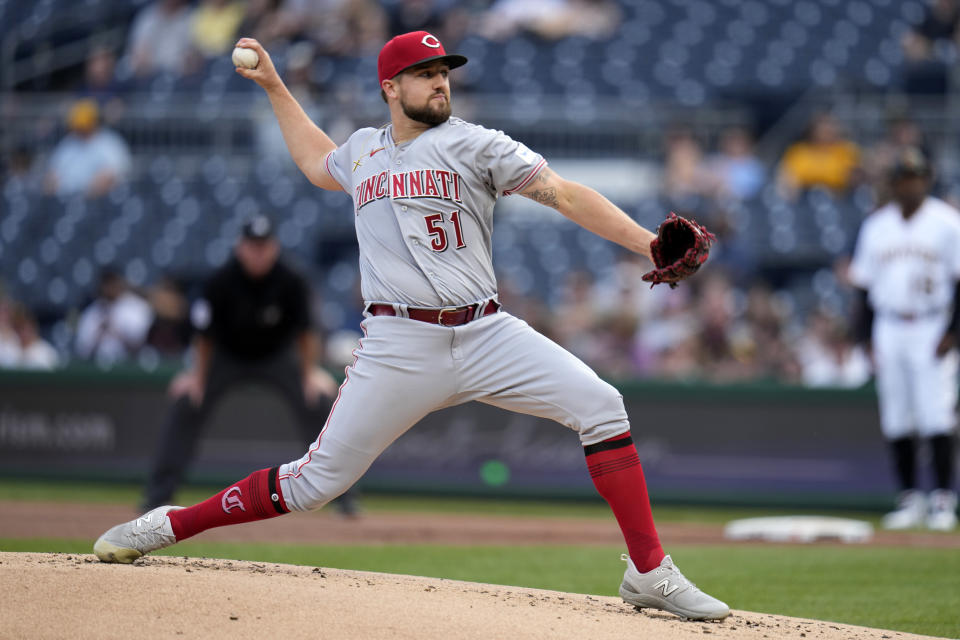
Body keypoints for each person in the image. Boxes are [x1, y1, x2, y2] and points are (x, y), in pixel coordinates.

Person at [94, 31, 729, 622]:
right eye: (423, 74)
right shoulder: (364, 151)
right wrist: (275, 88)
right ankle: (171, 525)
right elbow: (319, 164)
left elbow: (564, 193)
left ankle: (650, 572)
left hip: (487, 332)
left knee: (603, 405)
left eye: (443, 72)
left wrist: (648, 243)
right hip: (399, 345)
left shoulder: (478, 143)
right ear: (389, 88)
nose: (440, 83)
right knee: (314, 484)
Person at [140, 216, 352, 514]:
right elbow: (204, 336)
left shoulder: (291, 280)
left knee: (318, 402)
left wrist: (309, 374)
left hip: (277, 356)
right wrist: (196, 378)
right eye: (252, 246)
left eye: (263, 247)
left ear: (274, 248)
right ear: (241, 247)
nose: (258, 253)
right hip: (228, 356)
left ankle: (344, 499)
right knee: (187, 402)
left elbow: (307, 333)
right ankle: (157, 496)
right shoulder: (221, 280)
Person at [848, 147, 960, 531]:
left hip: (932, 323)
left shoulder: (947, 222)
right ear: (894, 184)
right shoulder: (877, 225)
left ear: (927, 180)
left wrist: (953, 331)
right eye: (904, 178)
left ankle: (943, 499)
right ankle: (910, 498)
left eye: (917, 177)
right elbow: (863, 288)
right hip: (889, 324)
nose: (911, 184)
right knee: (897, 416)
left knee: (936, 413)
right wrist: (864, 337)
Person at [44, 99, 132, 198]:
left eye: (84, 125)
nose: (81, 129)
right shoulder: (68, 142)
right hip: (66, 198)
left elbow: (112, 175)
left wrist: (88, 196)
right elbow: (53, 174)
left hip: (99, 201)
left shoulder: (108, 142)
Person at [74, 268, 153, 365]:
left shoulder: (135, 307)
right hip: (98, 367)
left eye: (112, 284)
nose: (109, 289)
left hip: (130, 366)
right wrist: (99, 333)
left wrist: (116, 332)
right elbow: (82, 350)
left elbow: (142, 343)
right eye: (106, 284)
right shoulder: (93, 312)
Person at [777, 112, 860, 199]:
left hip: (839, 199)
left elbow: (853, 181)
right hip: (803, 199)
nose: (827, 130)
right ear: (813, 130)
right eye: (823, 127)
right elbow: (787, 179)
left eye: (830, 126)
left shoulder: (847, 151)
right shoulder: (798, 151)